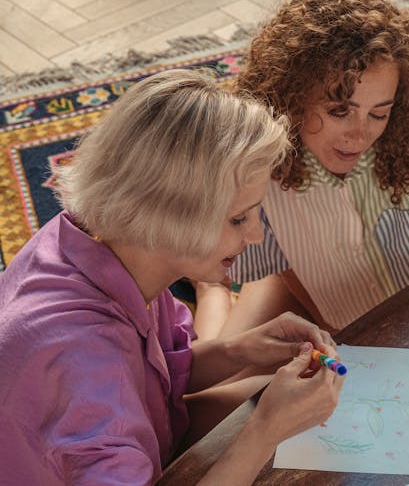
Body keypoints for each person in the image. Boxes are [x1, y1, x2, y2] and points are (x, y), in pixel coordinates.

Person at [0, 69, 343, 485]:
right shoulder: (87, 372)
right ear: (170, 216)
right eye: (238, 219)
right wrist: (263, 433)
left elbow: (155, 373)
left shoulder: (103, 243)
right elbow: (111, 386)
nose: (255, 235)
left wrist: (241, 350)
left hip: (144, 435)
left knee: (286, 403)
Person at [199, 0, 409, 335]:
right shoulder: (255, 163)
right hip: (336, 311)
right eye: (339, 110)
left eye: (379, 114)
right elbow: (287, 268)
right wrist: (334, 330)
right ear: (293, 98)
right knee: (220, 382)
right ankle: (211, 289)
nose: (359, 135)